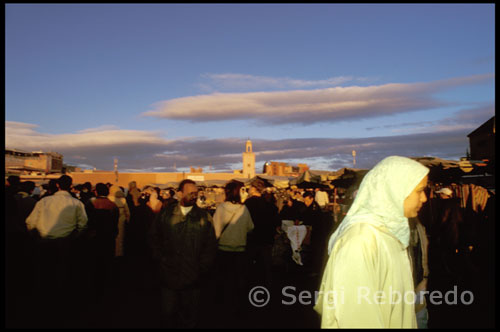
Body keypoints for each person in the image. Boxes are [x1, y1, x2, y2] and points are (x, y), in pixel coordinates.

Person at [314, 156, 429, 328]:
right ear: (395, 190)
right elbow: (357, 318)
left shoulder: (389, 234)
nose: (424, 198)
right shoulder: (361, 240)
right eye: (419, 191)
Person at [149, 179, 217, 328]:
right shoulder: (165, 215)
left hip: (193, 276)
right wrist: (160, 259)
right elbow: (155, 238)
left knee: (190, 315)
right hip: (169, 274)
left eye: (196, 193)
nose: (194, 196)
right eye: (190, 193)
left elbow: (210, 245)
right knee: (168, 314)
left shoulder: (204, 217)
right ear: (180, 194)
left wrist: (202, 267)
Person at [25, 175, 88, 321]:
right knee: (62, 273)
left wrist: (36, 236)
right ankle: (60, 307)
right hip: (65, 243)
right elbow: (83, 224)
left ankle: (42, 305)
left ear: (58, 185)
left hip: (44, 242)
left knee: (43, 273)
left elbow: (30, 222)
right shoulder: (76, 203)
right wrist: (74, 237)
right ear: (71, 186)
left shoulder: (44, 201)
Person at [213, 180, 254, 318]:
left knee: (223, 279)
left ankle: (222, 308)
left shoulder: (221, 208)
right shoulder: (244, 209)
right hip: (240, 250)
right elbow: (250, 228)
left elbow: (215, 231)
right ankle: (238, 309)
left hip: (223, 250)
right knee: (239, 281)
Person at [244, 179, 280, 289]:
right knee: (266, 266)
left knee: (249, 265)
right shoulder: (269, 205)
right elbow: (275, 222)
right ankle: (268, 287)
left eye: (250, 187)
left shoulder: (248, 203)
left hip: (252, 238)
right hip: (266, 239)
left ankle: (249, 287)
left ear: (254, 188)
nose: (248, 190)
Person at [408, 217, 430, 329]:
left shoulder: (418, 224)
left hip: (419, 283)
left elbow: (424, 250)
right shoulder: (391, 226)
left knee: (421, 320)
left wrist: (425, 277)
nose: (422, 199)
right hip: (402, 288)